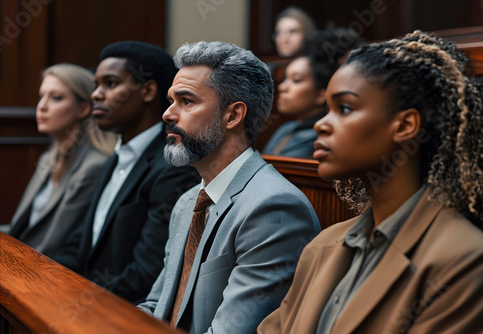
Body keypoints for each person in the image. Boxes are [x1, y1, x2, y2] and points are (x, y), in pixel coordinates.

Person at [258, 30, 483, 333]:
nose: (322, 124)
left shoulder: (463, 260)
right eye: (326, 109)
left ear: (405, 125)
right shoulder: (321, 246)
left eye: (345, 108)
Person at [137, 41, 320, 333]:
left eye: (186, 101)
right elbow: (158, 307)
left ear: (233, 116)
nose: (168, 114)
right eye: (171, 100)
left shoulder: (276, 207)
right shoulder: (188, 202)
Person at [53, 41, 199, 304]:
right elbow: (82, 243)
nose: (96, 94)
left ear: (148, 91)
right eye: (96, 85)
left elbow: (145, 273)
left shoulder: (172, 167)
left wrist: (74, 304)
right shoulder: (115, 158)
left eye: (110, 83)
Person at [9, 64, 117, 257]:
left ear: (83, 108)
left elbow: (52, 247)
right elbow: (20, 229)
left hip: (44, 273)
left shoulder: (93, 166)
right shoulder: (47, 158)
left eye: (56, 98)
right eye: (41, 96)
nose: (42, 106)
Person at [263, 27, 363, 158]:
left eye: (296, 80)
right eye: (285, 79)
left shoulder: (320, 135)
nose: (282, 87)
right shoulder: (285, 129)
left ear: (322, 94)